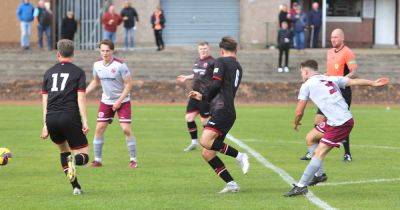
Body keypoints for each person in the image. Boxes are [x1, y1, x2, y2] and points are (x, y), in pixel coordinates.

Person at [284, 60, 388, 197]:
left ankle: (301, 186)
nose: (301, 75)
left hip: (341, 123)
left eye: (301, 72)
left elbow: (299, 112)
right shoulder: (329, 78)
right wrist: (373, 83)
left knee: (319, 153)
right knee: (311, 137)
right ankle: (319, 175)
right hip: (335, 120)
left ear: (305, 72)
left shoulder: (307, 85)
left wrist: (296, 123)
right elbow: (354, 82)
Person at [188, 37, 249, 193]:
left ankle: (240, 156)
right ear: (236, 50)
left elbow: (216, 84)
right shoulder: (238, 66)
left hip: (222, 109)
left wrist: (204, 96)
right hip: (227, 110)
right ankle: (231, 184)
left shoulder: (221, 61)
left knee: (205, 141)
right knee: (207, 153)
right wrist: (205, 97)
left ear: (222, 51)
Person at [40, 39, 90, 195]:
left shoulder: (48, 73)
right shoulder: (78, 72)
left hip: (51, 118)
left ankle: (76, 187)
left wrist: (45, 124)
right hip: (69, 116)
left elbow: (45, 100)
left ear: (58, 54)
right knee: (84, 155)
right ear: (73, 54)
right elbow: (81, 98)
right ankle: (74, 161)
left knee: (63, 151)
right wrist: (85, 121)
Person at [300, 29, 358, 162]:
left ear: (342, 38)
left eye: (336, 37)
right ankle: (314, 151)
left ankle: (347, 153)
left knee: (340, 120)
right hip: (328, 91)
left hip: (342, 91)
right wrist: (323, 77)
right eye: (332, 37)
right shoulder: (329, 52)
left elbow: (353, 72)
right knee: (318, 121)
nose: (333, 40)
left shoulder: (347, 52)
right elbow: (331, 71)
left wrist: (340, 81)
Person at [86, 40, 138, 168]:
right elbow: (95, 81)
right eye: (102, 50)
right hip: (106, 101)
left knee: (126, 129)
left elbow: (129, 84)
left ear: (112, 51)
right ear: (100, 51)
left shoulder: (121, 65)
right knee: (99, 128)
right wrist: (83, 93)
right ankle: (97, 160)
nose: (105, 53)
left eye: (107, 50)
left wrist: (119, 101)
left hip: (123, 101)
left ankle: (133, 160)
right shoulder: (97, 65)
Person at [176, 42, 215, 152]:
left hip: (204, 96)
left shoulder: (213, 62)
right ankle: (194, 142)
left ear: (209, 49)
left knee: (205, 122)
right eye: (201, 49)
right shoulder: (197, 61)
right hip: (194, 94)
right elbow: (197, 74)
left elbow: (216, 77)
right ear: (198, 50)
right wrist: (186, 77)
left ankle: (209, 143)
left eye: (205, 48)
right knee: (189, 118)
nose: (203, 50)